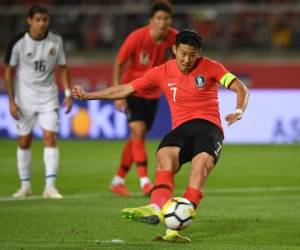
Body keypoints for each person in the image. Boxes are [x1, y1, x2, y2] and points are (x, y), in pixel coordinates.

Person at [72, 29, 249, 242]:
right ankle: (156, 208)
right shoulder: (161, 72)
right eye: (182, 53)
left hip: (208, 127)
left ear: (198, 53)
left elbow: (241, 88)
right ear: (174, 50)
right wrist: (89, 95)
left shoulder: (211, 67)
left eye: (192, 54)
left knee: (200, 167)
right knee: (165, 154)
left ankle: (174, 226)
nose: (186, 59)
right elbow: (126, 89)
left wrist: (239, 111)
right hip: (182, 127)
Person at [109, 0, 177, 197]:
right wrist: (118, 93)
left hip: (154, 93)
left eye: (166, 18)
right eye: (158, 18)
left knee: (137, 136)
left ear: (170, 20)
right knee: (137, 130)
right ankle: (145, 181)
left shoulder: (174, 39)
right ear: (151, 20)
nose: (162, 22)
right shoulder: (137, 37)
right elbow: (119, 62)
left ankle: (118, 180)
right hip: (133, 89)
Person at [4, 5, 73, 199]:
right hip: (24, 99)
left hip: (48, 97)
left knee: (50, 137)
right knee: (24, 140)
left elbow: (64, 67)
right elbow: (8, 71)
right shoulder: (18, 42)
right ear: (29, 21)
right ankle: (25, 186)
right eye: (38, 20)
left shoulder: (56, 40)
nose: (41, 23)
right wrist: (10, 100)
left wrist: (68, 92)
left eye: (45, 20)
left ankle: (50, 187)